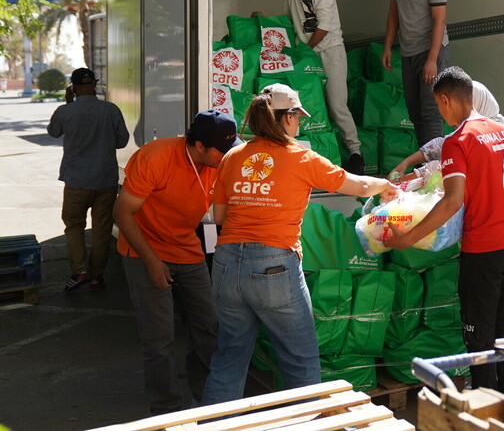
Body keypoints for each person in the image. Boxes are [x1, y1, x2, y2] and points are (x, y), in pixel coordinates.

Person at [201, 84, 397, 405]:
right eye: (297, 117)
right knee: (300, 359)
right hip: (273, 265)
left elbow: (218, 215)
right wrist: (385, 186)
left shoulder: (233, 157)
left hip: (225, 262)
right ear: (287, 118)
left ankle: (215, 426)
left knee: (229, 357)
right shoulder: (301, 157)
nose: (300, 124)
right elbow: (357, 184)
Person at [384, 67, 504, 397]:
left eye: (438, 105)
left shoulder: (457, 141)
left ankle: (484, 406)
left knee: (479, 333)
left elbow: (452, 201)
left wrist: (407, 238)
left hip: (485, 248)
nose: (440, 112)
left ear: (447, 99)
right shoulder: (503, 132)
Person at [113, 110, 237, 414]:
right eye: (221, 151)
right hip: (144, 249)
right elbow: (121, 213)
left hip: (186, 246)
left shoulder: (220, 161)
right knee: (159, 338)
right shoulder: (155, 158)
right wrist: (153, 262)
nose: (226, 157)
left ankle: (207, 398)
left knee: (208, 326)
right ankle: (166, 408)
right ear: (198, 146)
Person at [282, 0, 365, 174]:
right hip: (306, 55)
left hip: (330, 51)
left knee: (338, 105)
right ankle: (315, 156)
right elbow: (287, 21)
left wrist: (305, 51)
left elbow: (325, 26)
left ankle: (356, 153)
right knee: (309, 107)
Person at [47, 67, 129, 292]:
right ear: (94, 85)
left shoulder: (66, 111)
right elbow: (122, 141)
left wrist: (67, 103)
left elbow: (53, 132)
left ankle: (80, 271)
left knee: (74, 226)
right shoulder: (111, 110)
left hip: (76, 180)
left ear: (73, 88)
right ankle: (96, 277)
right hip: (105, 180)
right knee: (101, 229)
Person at [383, 0, 449, 146]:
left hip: (431, 51)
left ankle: (435, 169)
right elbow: (394, 14)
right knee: (414, 110)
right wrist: (388, 47)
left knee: (430, 110)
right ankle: (425, 164)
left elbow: (440, 21)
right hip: (408, 51)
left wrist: (432, 60)